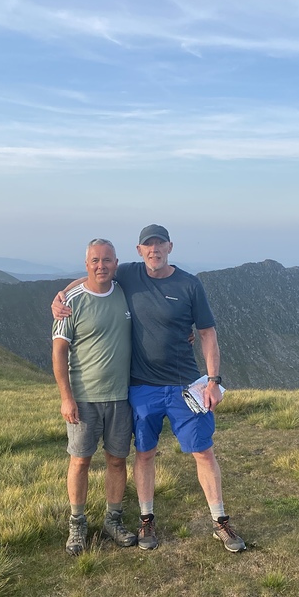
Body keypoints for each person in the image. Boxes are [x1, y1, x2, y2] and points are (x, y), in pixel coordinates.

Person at [53, 224, 246, 554]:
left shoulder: (189, 284)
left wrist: (213, 380)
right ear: (139, 251)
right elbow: (94, 276)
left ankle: (220, 521)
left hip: (185, 385)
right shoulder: (128, 274)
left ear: (170, 247)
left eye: (159, 244)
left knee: (203, 451)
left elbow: (207, 333)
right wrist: (60, 296)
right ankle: (145, 520)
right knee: (144, 454)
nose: (154, 250)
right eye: (147, 245)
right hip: (142, 387)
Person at [52, 238, 137, 555]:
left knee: (117, 460)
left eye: (107, 260)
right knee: (80, 461)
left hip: (121, 396)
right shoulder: (71, 302)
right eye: (95, 261)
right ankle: (77, 525)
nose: (101, 266)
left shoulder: (125, 292)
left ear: (116, 263)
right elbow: (59, 353)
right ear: (86, 264)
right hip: (83, 398)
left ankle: (113, 520)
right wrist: (66, 398)